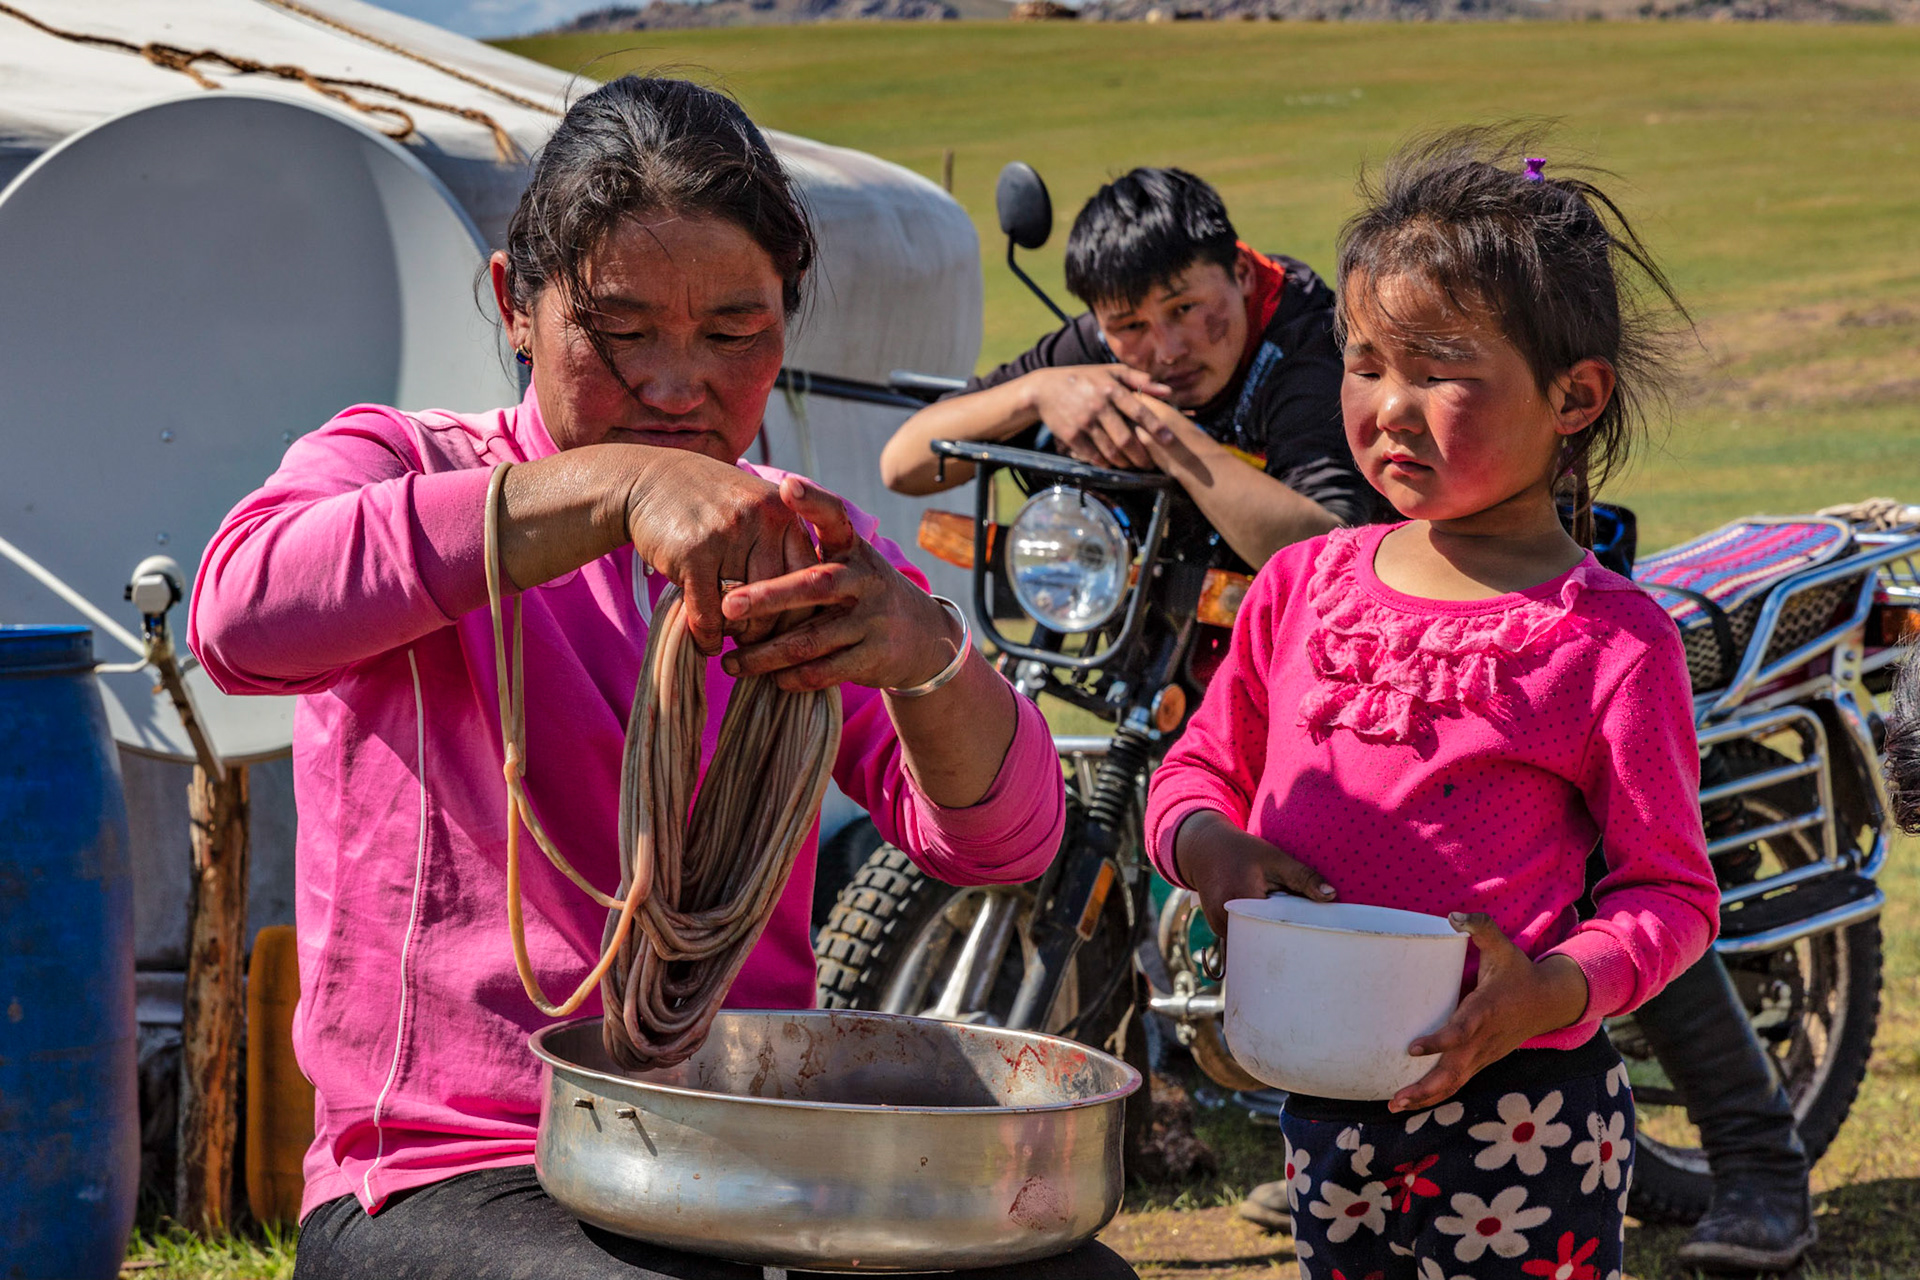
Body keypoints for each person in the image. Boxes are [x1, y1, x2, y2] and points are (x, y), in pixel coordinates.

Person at [189, 75, 1135, 1280]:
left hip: (742, 1140)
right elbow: (242, 612)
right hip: (455, 1164)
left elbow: (1004, 841)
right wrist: (611, 491)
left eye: (734, 334)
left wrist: (925, 658)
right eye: (621, 332)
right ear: (513, 307)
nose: (678, 387)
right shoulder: (402, 465)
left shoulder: (797, 549)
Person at [1141, 132, 1722, 1279]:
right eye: (1365, 363)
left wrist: (1553, 986)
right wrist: (1211, 847)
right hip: (1320, 1090)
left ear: (1574, 396)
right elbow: (1195, 768)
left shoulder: (1609, 641)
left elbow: (1671, 891)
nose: (1390, 407)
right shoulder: (1304, 586)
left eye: (1440, 369)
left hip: (1526, 1113)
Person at [878, 167, 1379, 569]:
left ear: (1242, 274)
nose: (1166, 351)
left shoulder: (1311, 346)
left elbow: (1324, 553)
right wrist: (1036, 392)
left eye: (1184, 308)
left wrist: (1158, 431)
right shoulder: (1097, 340)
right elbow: (902, 465)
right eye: (1130, 326)